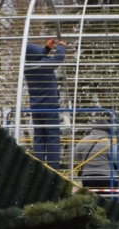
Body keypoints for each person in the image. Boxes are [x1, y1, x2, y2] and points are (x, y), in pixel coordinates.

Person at [24, 38, 67, 169]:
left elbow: (37, 57)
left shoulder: (27, 68)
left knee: (39, 137)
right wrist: (61, 46)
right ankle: (54, 170)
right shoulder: (44, 65)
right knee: (53, 136)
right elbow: (59, 58)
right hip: (50, 107)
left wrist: (47, 49)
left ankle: (39, 168)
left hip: (36, 108)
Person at [74, 122, 119, 199]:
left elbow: (75, 156)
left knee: (91, 203)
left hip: (87, 178)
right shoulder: (108, 142)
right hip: (106, 178)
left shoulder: (84, 140)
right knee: (108, 205)